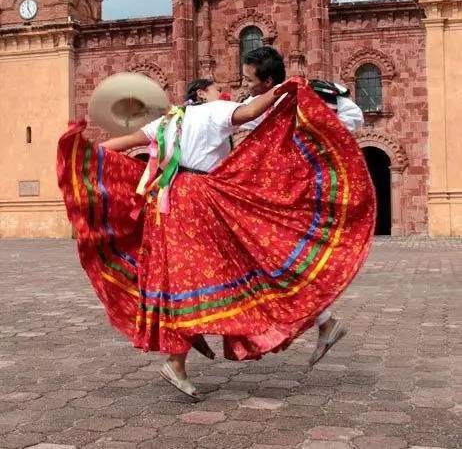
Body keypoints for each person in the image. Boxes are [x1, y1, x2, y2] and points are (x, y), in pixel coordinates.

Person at [57, 73, 375, 400]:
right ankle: (319, 319)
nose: (220, 92)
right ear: (203, 94)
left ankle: (181, 359)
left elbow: (111, 147)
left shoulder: (167, 122)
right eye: (214, 88)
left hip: (165, 204)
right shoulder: (213, 111)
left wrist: (77, 151)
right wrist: (283, 87)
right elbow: (250, 114)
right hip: (202, 200)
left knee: (183, 279)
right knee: (253, 257)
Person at [239, 46, 364, 367]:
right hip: (275, 195)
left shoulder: (309, 96)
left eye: (250, 79)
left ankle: (316, 323)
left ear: (267, 81)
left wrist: (313, 137)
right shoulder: (257, 107)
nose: (246, 84)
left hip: (302, 194)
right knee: (277, 260)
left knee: (281, 258)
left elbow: (354, 116)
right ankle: (324, 322)